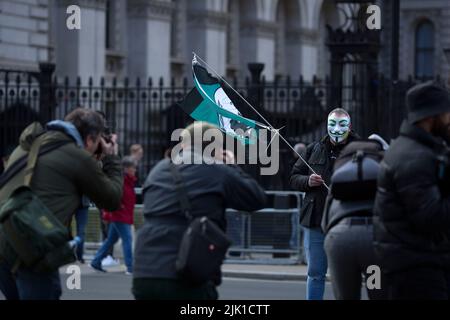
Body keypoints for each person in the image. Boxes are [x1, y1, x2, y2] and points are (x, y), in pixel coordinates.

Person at [132, 121, 267, 300]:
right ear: (213, 148)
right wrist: (232, 166)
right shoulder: (216, 170)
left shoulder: (159, 169)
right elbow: (256, 198)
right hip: (186, 271)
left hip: (144, 271)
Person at [0, 108, 123, 300]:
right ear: (90, 139)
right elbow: (112, 200)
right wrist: (111, 158)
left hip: (5, 245)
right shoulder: (77, 157)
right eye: (98, 139)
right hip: (32, 250)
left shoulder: (29, 145)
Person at [374, 82, 450, 299]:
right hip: (415, 270)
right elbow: (431, 217)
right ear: (430, 116)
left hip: (417, 264)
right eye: (446, 113)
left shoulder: (419, 150)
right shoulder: (413, 157)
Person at [290, 108, 358, 300]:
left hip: (346, 219)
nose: (336, 129)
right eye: (332, 124)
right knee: (315, 272)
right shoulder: (314, 148)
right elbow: (294, 177)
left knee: (347, 274)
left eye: (342, 124)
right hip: (316, 220)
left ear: (350, 126)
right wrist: (307, 181)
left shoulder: (359, 148)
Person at [321, 136, 388, 300]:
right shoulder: (382, 176)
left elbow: (325, 223)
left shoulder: (341, 176)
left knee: (346, 296)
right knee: (377, 292)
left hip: (339, 240)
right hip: (372, 243)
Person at [90, 156, 137, 275]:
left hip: (122, 214)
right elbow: (114, 196)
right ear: (126, 168)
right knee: (127, 240)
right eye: (133, 168)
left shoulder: (128, 181)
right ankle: (130, 267)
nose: (135, 170)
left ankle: (96, 261)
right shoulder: (122, 182)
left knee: (111, 240)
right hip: (120, 215)